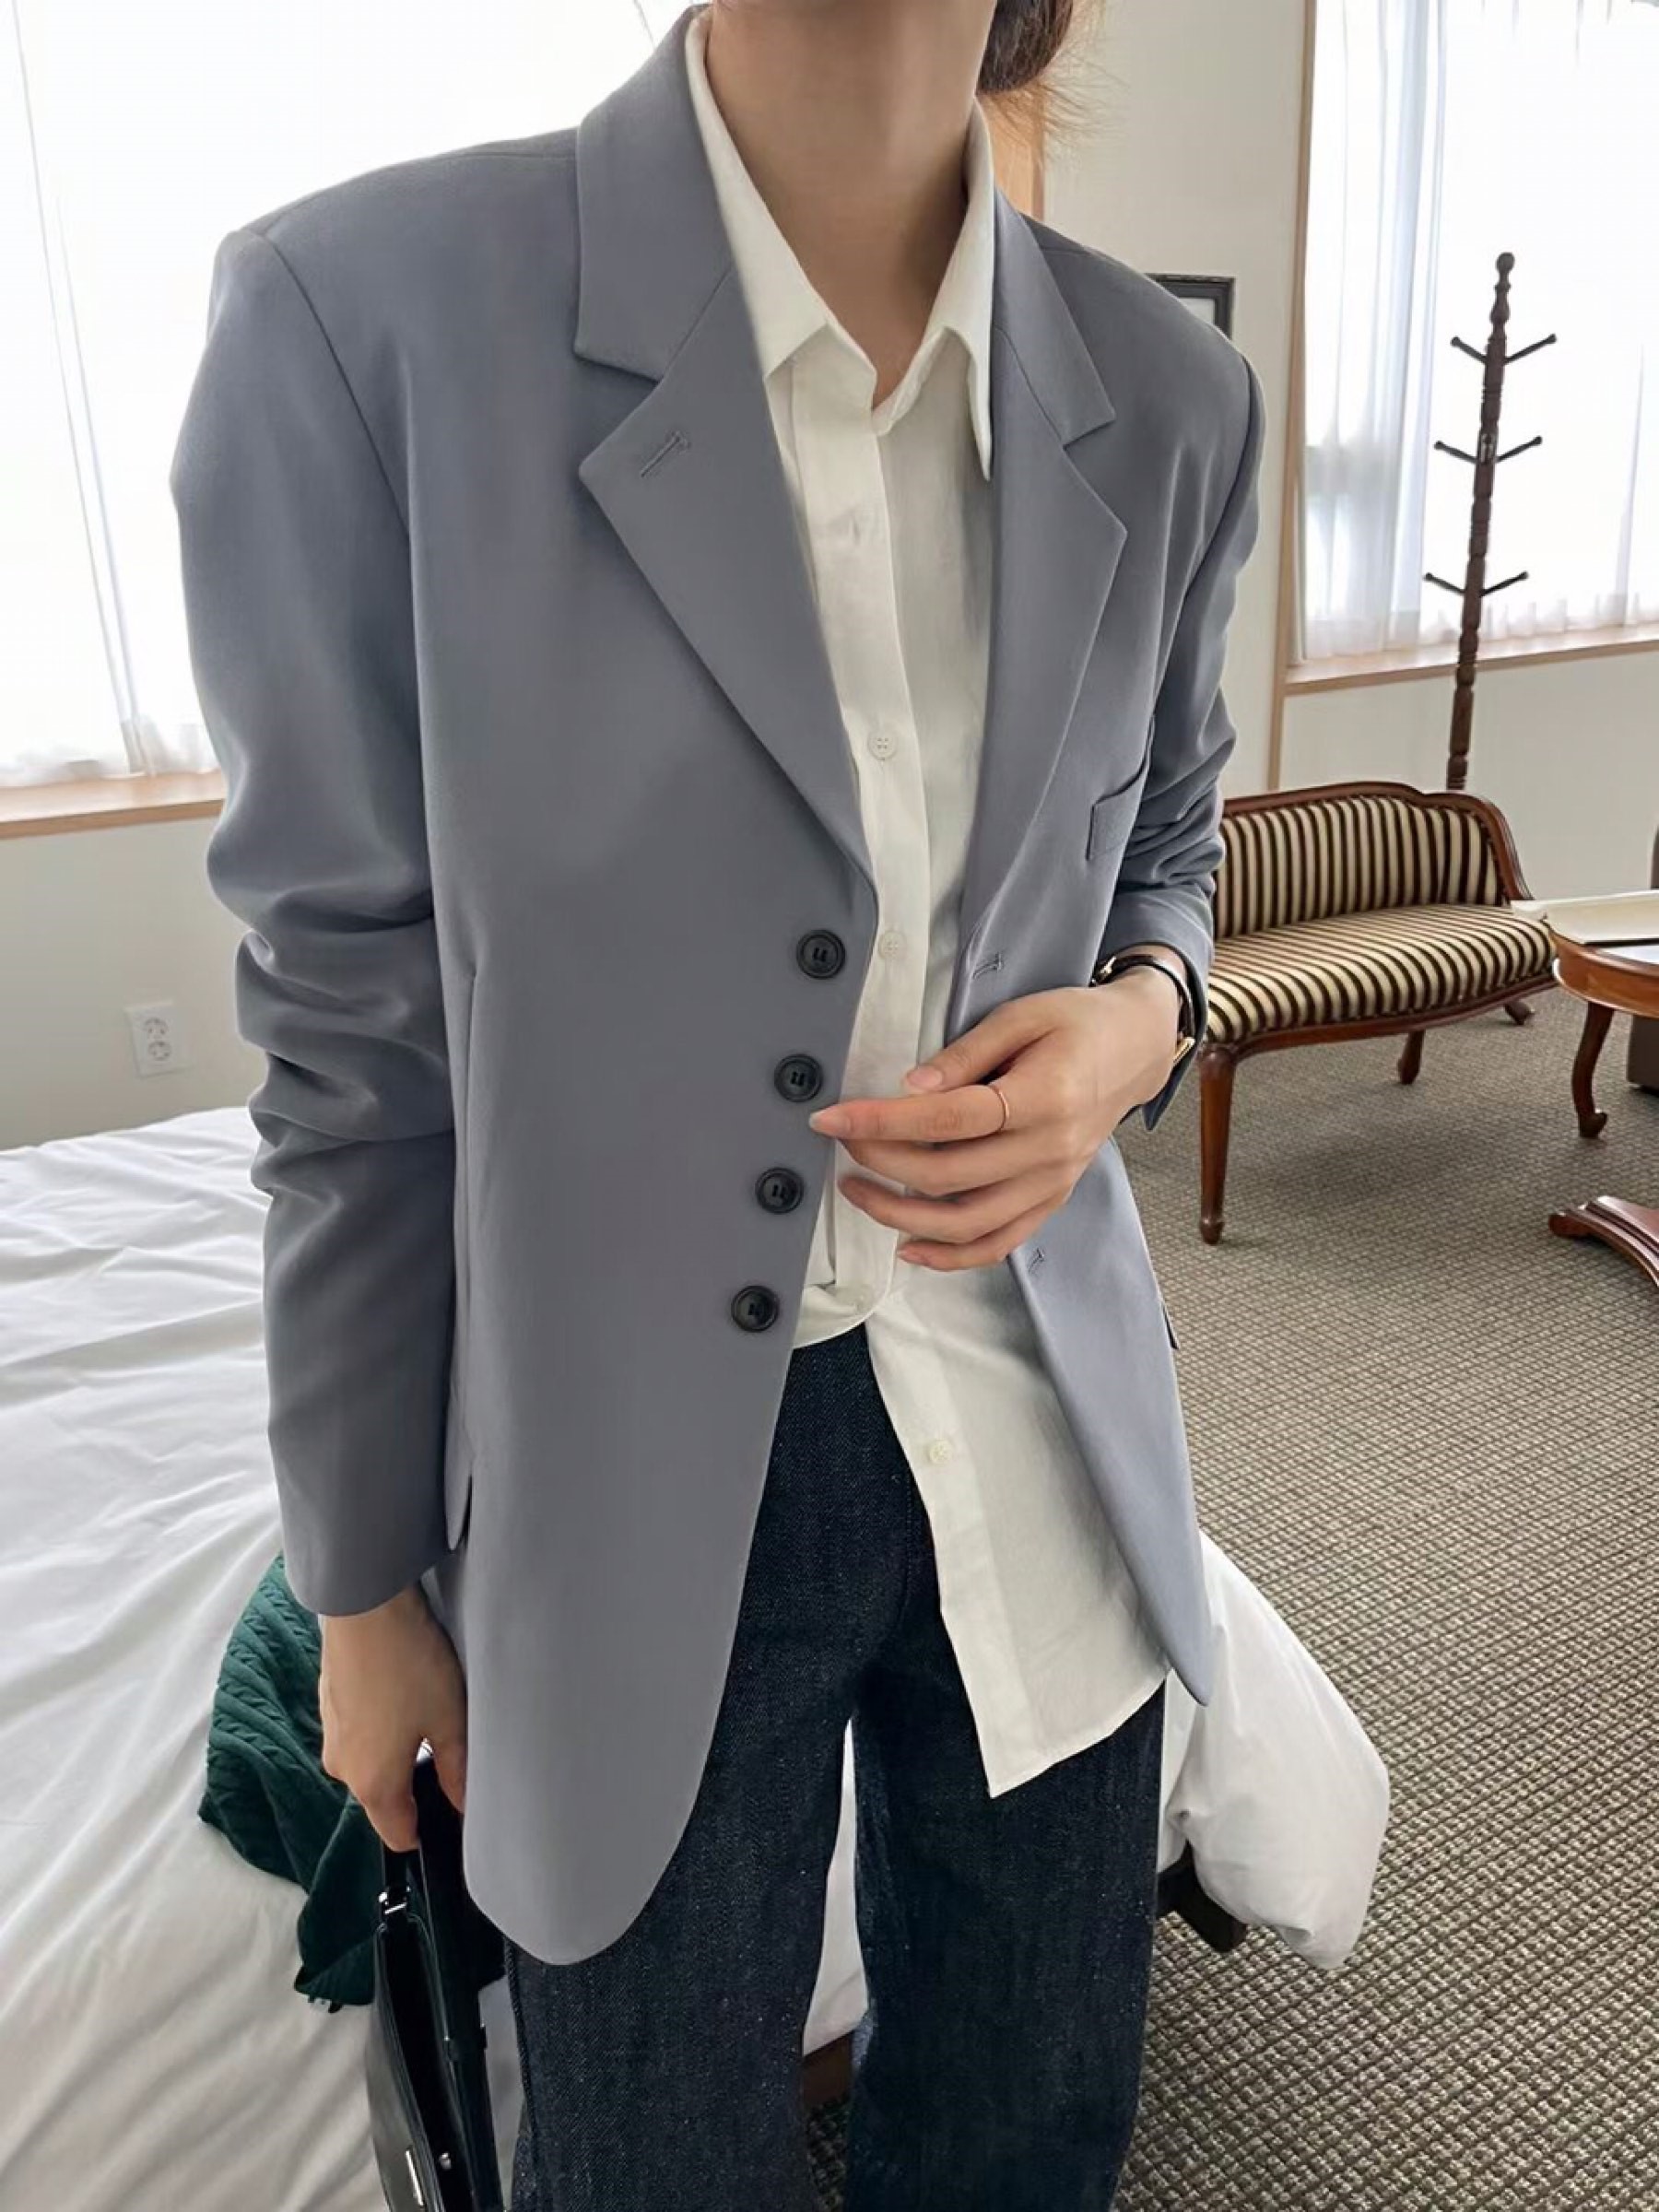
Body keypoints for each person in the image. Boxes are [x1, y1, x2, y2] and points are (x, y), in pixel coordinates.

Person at [169, 1, 1265, 2204]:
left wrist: (1144, 1020)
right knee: (649, 2160)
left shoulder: (1169, 392)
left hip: (1045, 1432)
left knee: (1033, 2134)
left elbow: (1172, 835)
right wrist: (362, 1586)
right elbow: (352, 1046)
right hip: (622, 1481)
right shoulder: (359, 325)